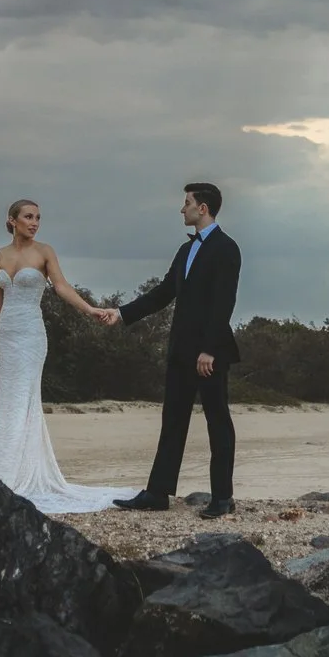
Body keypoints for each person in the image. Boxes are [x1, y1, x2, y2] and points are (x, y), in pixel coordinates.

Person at [0, 198, 130, 513]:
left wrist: (89, 309)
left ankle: (15, 478)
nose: (34, 222)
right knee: (8, 400)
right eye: (28, 217)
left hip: (32, 336)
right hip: (7, 336)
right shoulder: (1, 255)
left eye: (38, 217)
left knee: (24, 399)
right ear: (12, 220)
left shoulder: (44, 252)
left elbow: (61, 287)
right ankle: (5, 473)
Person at [112, 182, 241, 519]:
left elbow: (224, 302)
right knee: (172, 421)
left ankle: (222, 497)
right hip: (181, 350)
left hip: (210, 354)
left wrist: (209, 350)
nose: (181, 209)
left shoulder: (227, 248)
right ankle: (157, 493)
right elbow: (162, 293)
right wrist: (122, 313)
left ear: (203, 208)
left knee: (218, 422)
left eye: (186, 203)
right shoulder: (185, 251)